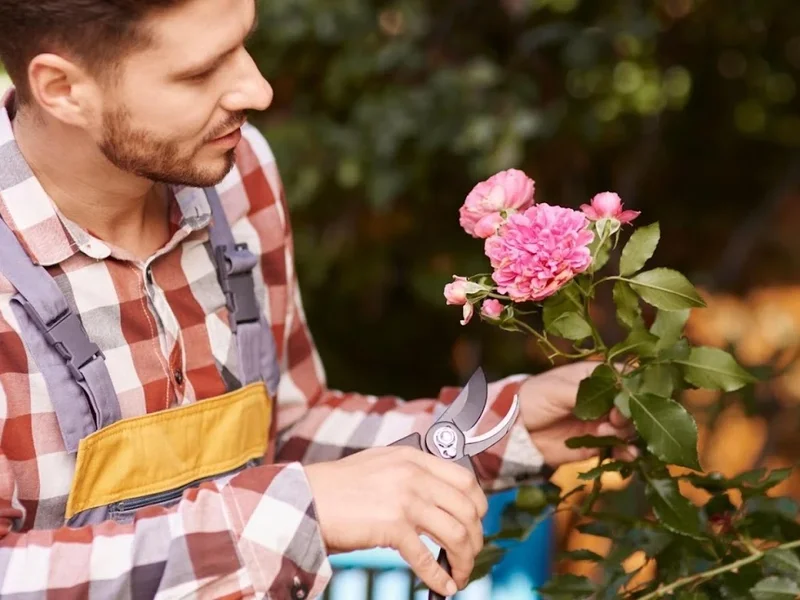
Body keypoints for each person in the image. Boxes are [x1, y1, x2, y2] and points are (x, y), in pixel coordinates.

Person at [0, 0, 633, 598]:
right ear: (62, 89)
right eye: (198, 73)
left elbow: (287, 431)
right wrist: (290, 514)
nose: (258, 90)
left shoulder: (236, 174)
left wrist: (495, 430)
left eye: (243, 42)